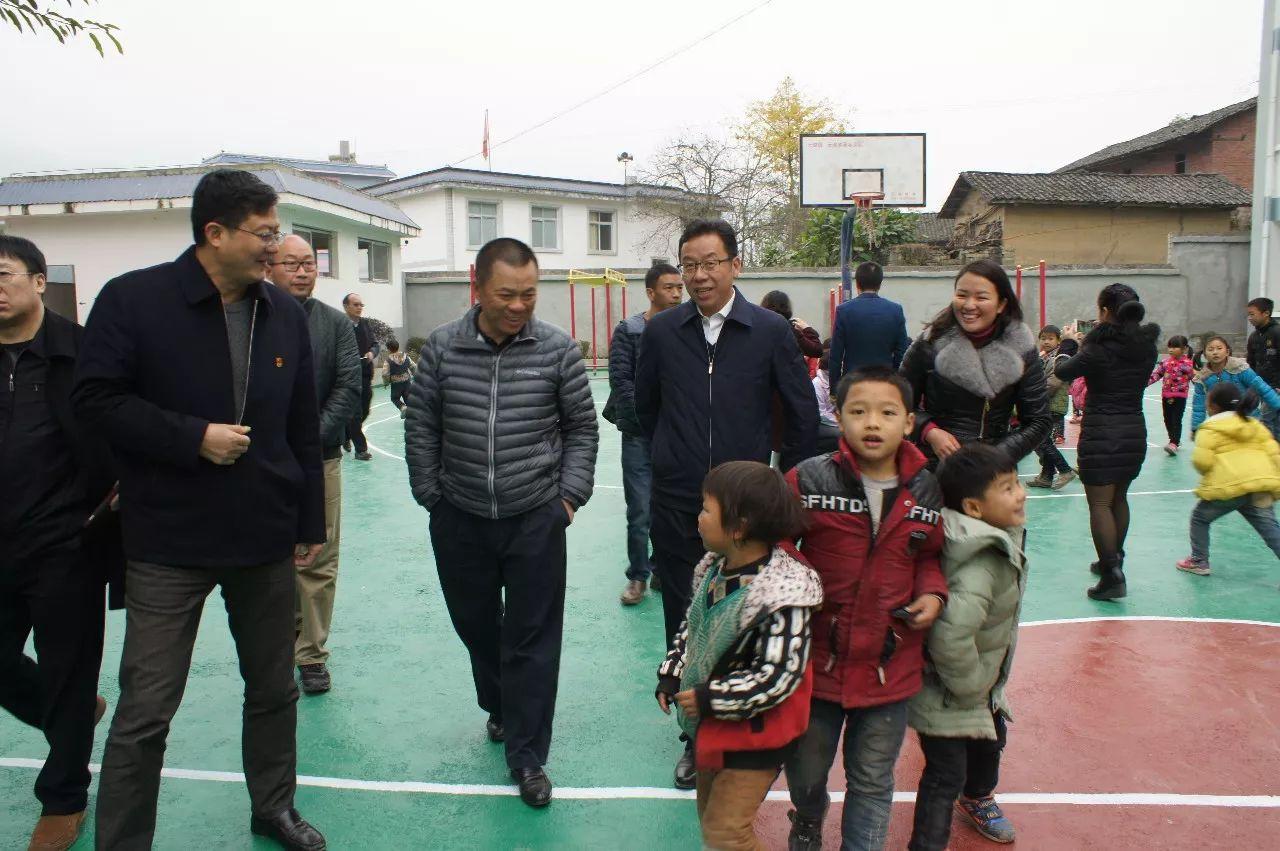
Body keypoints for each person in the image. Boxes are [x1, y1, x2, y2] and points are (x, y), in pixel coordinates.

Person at [73, 169, 327, 850]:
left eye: (278, 233)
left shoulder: (283, 312)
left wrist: (309, 524)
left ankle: (273, 805)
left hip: (264, 537)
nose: (275, 247)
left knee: (273, 688)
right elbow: (93, 398)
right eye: (264, 233)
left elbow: (302, 424)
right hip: (167, 541)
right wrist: (192, 438)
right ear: (214, 233)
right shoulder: (134, 301)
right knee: (146, 709)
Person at [404, 237, 598, 808]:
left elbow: (582, 429)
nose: (519, 306)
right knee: (476, 626)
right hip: (459, 517)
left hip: (536, 516)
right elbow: (422, 427)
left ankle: (529, 755)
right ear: (477, 287)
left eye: (529, 295)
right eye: (507, 295)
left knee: (533, 638)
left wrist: (567, 499)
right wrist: (430, 495)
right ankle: (499, 703)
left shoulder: (558, 351)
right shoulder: (441, 350)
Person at [635, 218, 817, 789]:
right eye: (689, 264)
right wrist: (673, 458)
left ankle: (735, 720)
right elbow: (645, 407)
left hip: (745, 511)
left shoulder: (768, 330)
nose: (699, 275)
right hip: (677, 501)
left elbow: (800, 415)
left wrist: (784, 486)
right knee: (685, 615)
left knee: (741, 614)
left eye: (711, 262)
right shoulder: (662, 333)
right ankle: (694, 736)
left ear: (736, 265)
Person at [783, 367, 946, 851]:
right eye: (858, 411)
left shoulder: (927, 490)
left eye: (887, 412)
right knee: (807, 771)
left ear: (910, 421)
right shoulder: (808, 478)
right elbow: (776, 543)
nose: (872, 423)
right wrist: (800, 583)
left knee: (873, 780)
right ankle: (808, 816)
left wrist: (933, 594)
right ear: (837, 415)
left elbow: (931, 554)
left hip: (888, 668)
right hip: (816, 664)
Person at [0, 235, 120, 851]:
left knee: (69, 671)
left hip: (65, 544)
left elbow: (122, 424)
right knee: (43, 684)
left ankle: (65, 795)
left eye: (5, 274)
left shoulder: (82, 354)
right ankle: (66, 711)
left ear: (40, 282)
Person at [655, 461, 822, 851]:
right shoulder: (716, 569)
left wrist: (712, 698)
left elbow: (778, 675)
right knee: (711, 818)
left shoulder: (782, 594)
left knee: (727, 831)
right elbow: (695, 627)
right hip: (717, 726)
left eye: (706, 509)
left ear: (739, 526)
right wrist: (673, 671)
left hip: (759, 732)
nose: (698, 517)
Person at [907, 444, 1027, 850]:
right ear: (974, 509)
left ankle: (978, 796)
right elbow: (951, 635)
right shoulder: (979, 562)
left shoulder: (993, 540)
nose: (1021, 493)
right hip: (950, 691)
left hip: (979, 685)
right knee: (944, 774)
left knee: (991, 743)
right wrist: (972, 686)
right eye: (1008, 488)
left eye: (1018, 483)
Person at [267, 235, 361, 696]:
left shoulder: (336, 325)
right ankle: (276, 648)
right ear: (270, 267)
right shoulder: (250, 318)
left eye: (309, 263)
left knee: (318, 560)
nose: (302, 271)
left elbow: (348, 388)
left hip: (319, 460)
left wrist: (306, 442)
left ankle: (311, 654)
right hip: (258, 463)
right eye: (292, 263)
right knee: (269, 559)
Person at [1055, 284, 1159, 601]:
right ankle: (1112, 559)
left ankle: (1112, 575)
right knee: (1120, 500)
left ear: (1103, 311)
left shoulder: (1097, 349)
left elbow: (1063, 370)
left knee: (1099, 504)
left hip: (1101, 431)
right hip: (1134, 429)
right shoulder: (1147, 348)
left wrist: (1071, 342)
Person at [899, 259, 1051, 469]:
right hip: (936, 466)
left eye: (981, 297)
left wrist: (996, 456)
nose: (969, 305)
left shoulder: (1022, 350)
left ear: (1001, 304)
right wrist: (929, 431)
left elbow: (1039, 421)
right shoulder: (928, 344)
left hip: (993, 472)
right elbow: (899, 403)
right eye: (962, 295)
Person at [603, 263, 683, 606]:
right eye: (669, 288)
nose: (677, 294)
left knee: (674, 508)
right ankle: (638, 576)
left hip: (677, 436)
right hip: (639, 435)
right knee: (640, 509)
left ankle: (663, 570)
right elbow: (621, 382)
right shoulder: (630, 330)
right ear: (651, 292)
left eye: (680, 287)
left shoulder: (688, 329)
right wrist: (648, 420)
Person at [1177, 382, 1280, 577]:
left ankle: (1199, 560)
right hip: (1260, 485)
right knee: (1270, 529)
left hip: (1229, 487)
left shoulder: (1209, 428)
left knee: (1200, 518)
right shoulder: (1255, 424)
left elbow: (1202, 461)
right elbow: (1274, 452)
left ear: (1212, 406)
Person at [829, 261, 912, 383]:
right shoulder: (895, 310)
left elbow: (836, 354)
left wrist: (834, 388)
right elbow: (901, 352)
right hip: (885, 381)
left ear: (857, 283)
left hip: (853, 383)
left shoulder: (844, 311)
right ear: (880, 284)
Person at [1191, 336, 1280, 435]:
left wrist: (1278, 405)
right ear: (1205, 355)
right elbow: (1198, 407)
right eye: (1210, 349)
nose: (1215, 352)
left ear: (1227, 352)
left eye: (1219, 348)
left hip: (1248, 420)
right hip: (1222, 424)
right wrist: (1196, 428)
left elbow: (1262, 388)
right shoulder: (1202, 378)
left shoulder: (1240, 369)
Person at [1027, 325, 1077, 490]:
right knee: (1042, 440)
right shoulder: (1045, 356)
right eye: (1043, 338)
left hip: (1052, 404)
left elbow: (1053, 383)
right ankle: (1046, 476)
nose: (1046, 342)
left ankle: (1064, 470)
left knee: (1040, 440)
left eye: (1050, 338)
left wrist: (1034, 396)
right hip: (1047, 404)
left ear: (1059, 340)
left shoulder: (1058, 358)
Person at [343, 292, 376, 461]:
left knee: (364, 411)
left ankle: (345, 434)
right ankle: (361, 449)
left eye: (361, 305)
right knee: (354, 414)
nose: (359, 308)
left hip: (365, 375)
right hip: (348, 378)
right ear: (346, 306)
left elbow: (375, 344)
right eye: (355, 304)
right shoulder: (339, 325)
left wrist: (372, 352)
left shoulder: (365, 324)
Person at [1148, 335, 1194, 456]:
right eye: (1170, 347)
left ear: (1184, 349)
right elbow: (1156, 375)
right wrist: (1143, 384)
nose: (1171, 350)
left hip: (1180, 396)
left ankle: (1174, 442)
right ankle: (1172, 440)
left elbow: (1194, 378)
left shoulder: (1188, 364)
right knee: (1167, 418)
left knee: (1176, 419)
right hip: (1166, 395)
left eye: (1175, 347)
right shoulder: (1165, 363)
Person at [1246, 297, 1280, 439]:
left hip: (1275, 387)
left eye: (1252, 314)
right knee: (1271, 422)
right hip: (1260, 386)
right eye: (1248, 314)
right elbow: (1251, 362)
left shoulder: (1277, 333)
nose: (1249, 318)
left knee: (1266, 421)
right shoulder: (1253, 337)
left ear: (1266, 313)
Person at [761, 290, 823, 358]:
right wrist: (807, 328)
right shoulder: (789, 329)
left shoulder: (757, 327)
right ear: (786, 307)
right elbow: (817, 350)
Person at [384, 339, 414, 419]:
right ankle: (413, 415)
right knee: (408, 398)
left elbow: (385, 373)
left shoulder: (388, 360)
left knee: (395, 398)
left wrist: (386, 382)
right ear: (398, 346)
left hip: (396, 384)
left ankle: (403, 408)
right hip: (407, 382)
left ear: (388, 349)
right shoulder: (405, 356)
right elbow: (413, 366)